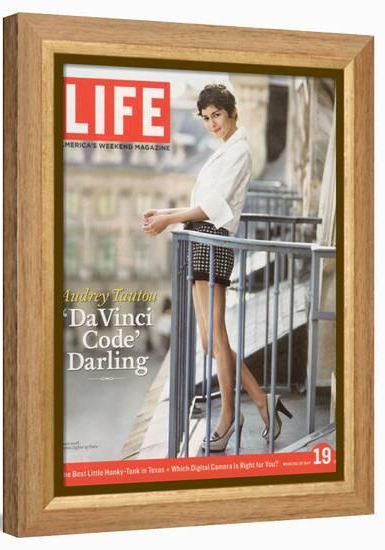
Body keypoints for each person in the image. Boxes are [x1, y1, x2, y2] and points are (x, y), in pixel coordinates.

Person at [142, 83, 292, 452]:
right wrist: (165, 214)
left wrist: (168, 218)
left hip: (212, 243)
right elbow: (203, 204)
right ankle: (261, 399)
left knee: (217, 338)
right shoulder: (226, 150)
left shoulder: (239, 150)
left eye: (217, 116)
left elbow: (211, 209)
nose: (212, 124)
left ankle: (230, 416)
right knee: (210, 341)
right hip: (201, 242)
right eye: (206, 118)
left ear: (232, 113)